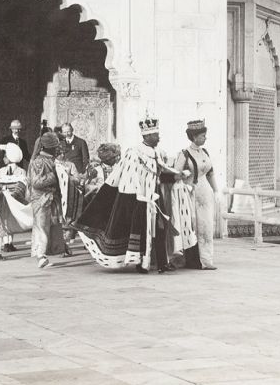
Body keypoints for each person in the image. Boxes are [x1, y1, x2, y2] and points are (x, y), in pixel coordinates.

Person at [72, 116, 198, 273]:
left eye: (158, 134)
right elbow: (128, 178)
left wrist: (176, 176)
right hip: (139, 198)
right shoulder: (134, 153)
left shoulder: (156, 153)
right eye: (155, 134)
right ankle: (142, 263)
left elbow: (159, 174)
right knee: (143, 231)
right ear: (146, 136)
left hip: (155, 195)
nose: (158, 137)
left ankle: (161, 263)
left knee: (161, 227)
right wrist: (139, 196)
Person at [172, 119, 220, 270]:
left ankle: (206, 260)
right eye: (202, 136)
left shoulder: (205, 152)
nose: (205, 138)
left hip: (206, 192)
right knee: (192, 225)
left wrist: (216, 190)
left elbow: (210, 173)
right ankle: (192, 260)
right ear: (194, 137)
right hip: (190, 193)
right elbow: (175, 175)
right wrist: (184, 175)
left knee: (206, 225)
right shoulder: (184, 154)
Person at [27, 131, 66, 269]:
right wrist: (54, 175)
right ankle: (41, 256)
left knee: (53, 225)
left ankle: (58, 248)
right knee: (41, 227)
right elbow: (36, 182)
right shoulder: (38, 162)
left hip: (51, 198)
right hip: (41, 199)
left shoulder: (51, 160)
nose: (57, 149)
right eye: (54, 146)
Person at [0, 143, 31, 252]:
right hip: (4, 198)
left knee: (11, 219)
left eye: (5, 156)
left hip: (14, 199)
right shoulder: (2, 170)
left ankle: (9, 242)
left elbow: (22, 185)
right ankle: (7, 242)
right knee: (4, 219)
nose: (4, 158)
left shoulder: (21, 171)